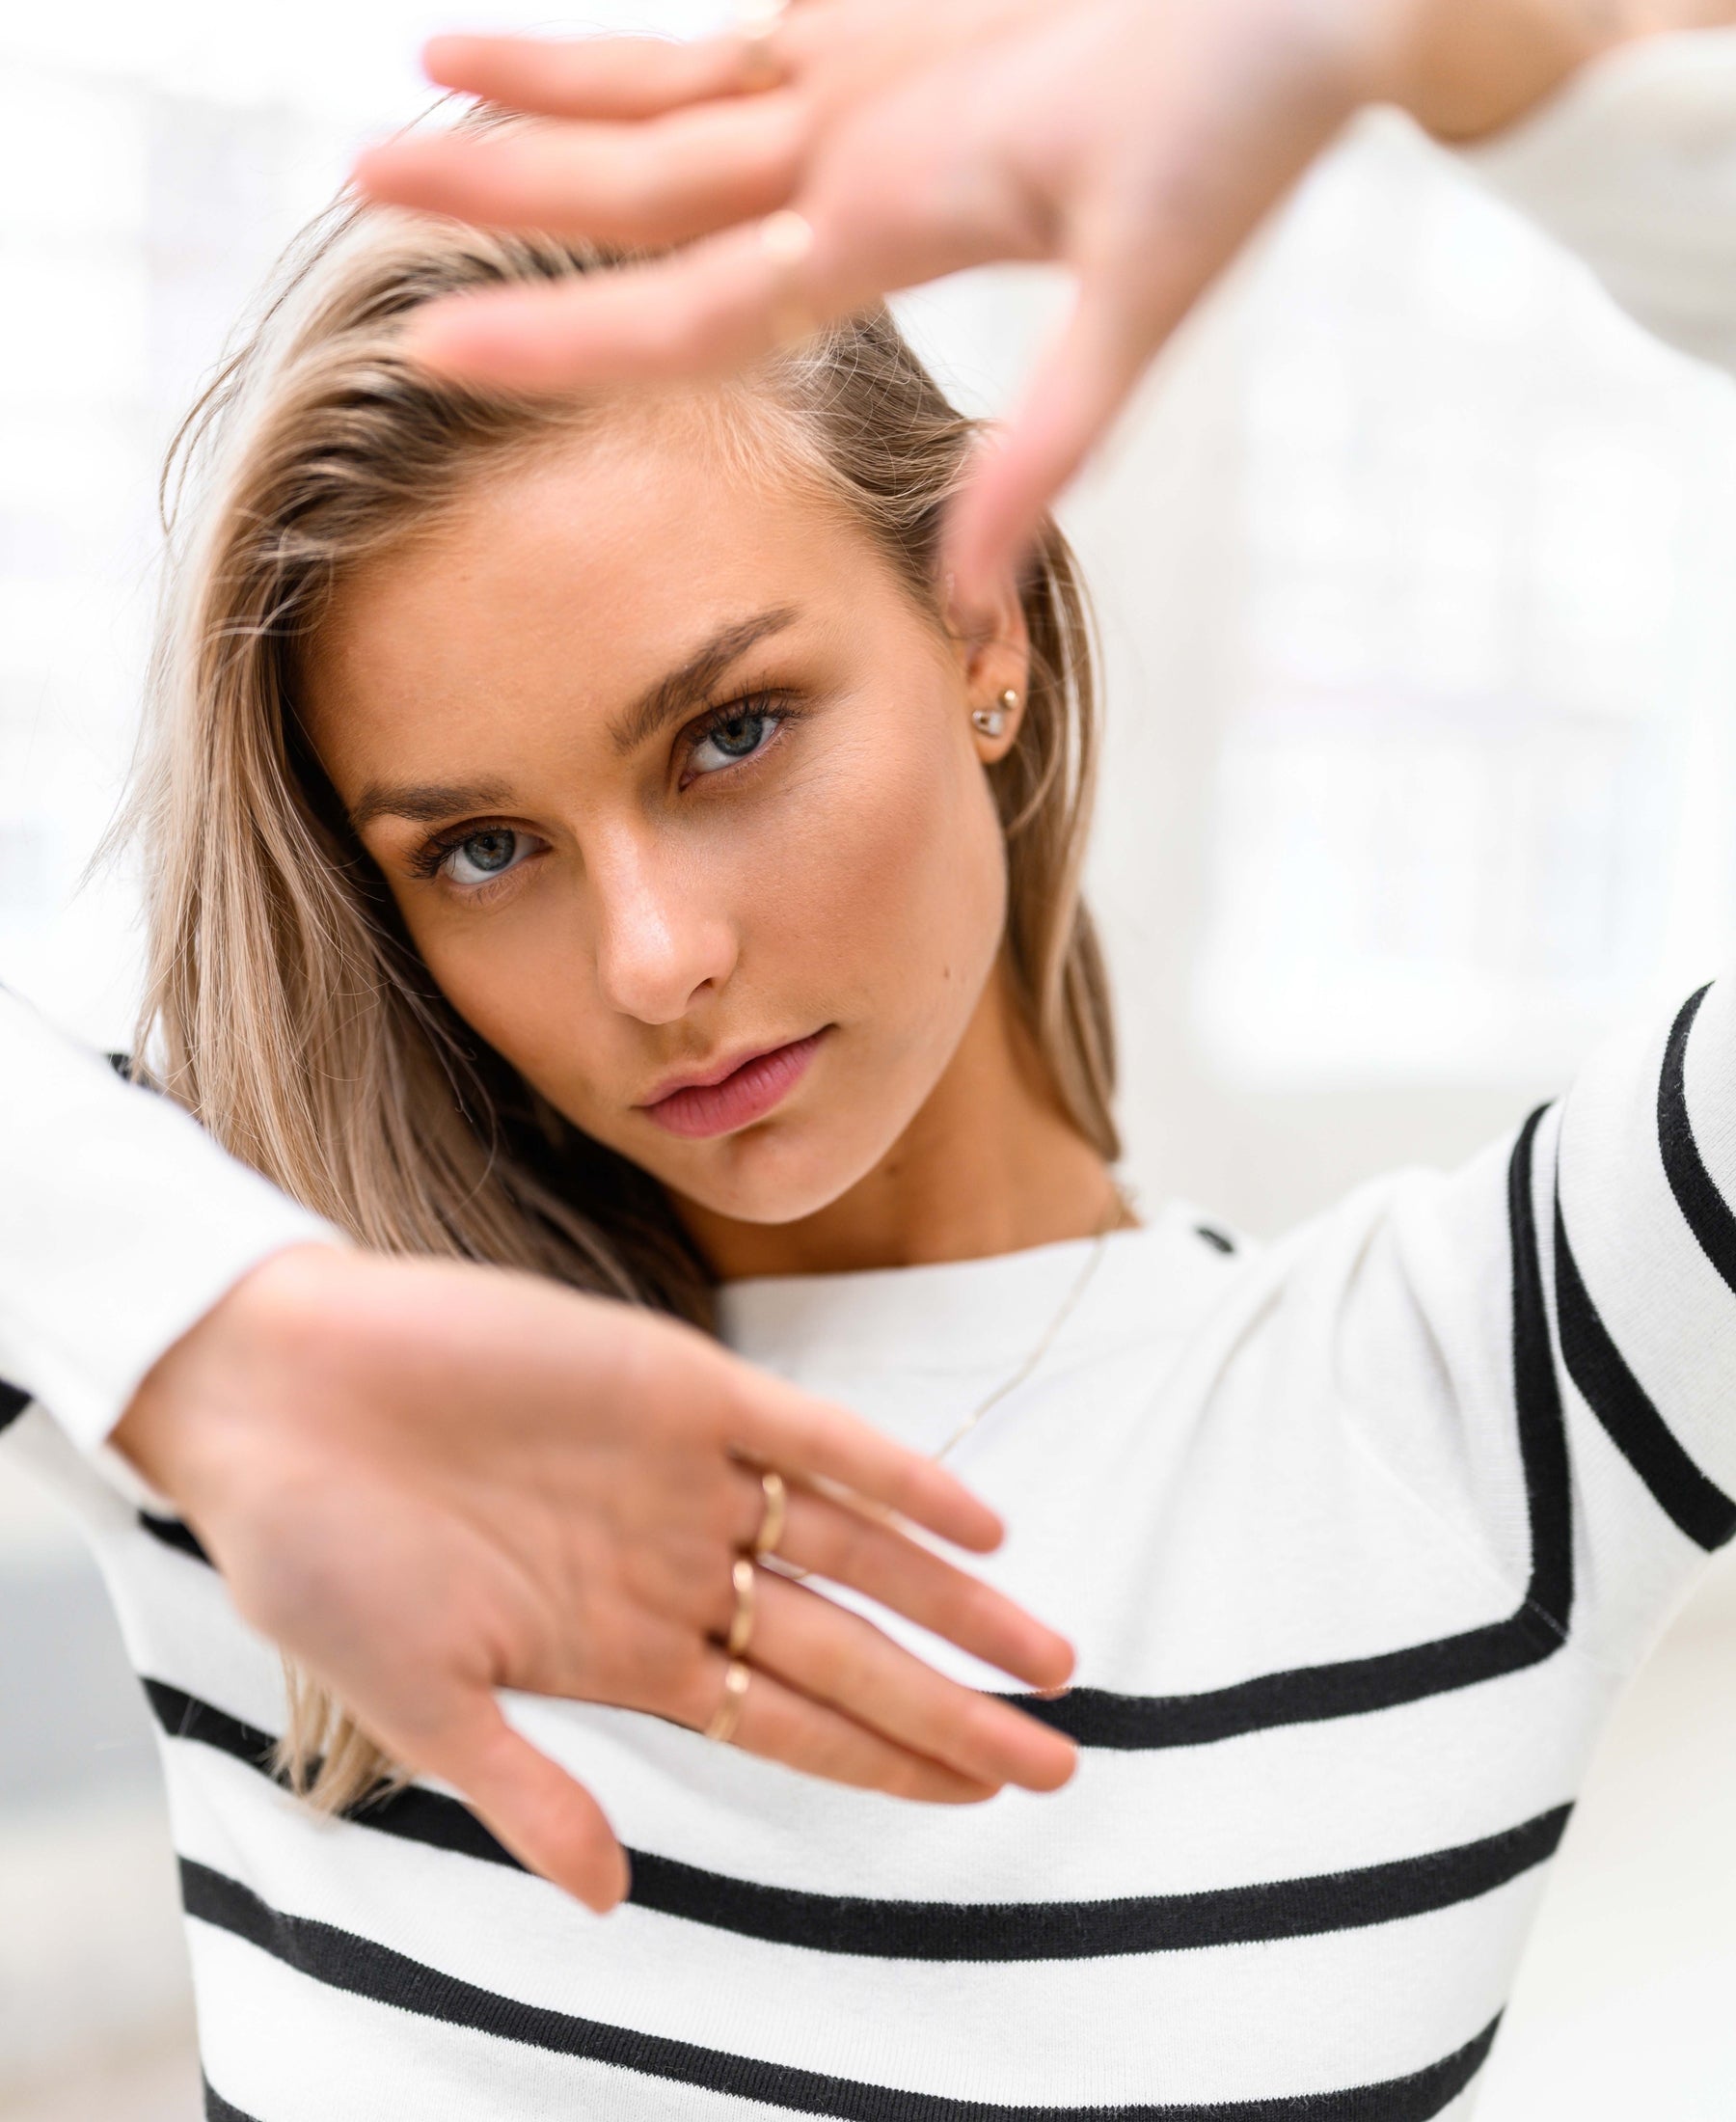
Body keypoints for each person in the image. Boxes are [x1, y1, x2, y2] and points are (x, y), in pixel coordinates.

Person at [6, 1, 1736, 2116]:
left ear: (979, 627)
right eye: (481, 847)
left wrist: (1454, 47)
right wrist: (218, 1353)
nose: (653, 960)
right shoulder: (292, 1433)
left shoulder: (1486, 1396)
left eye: (730, 732)